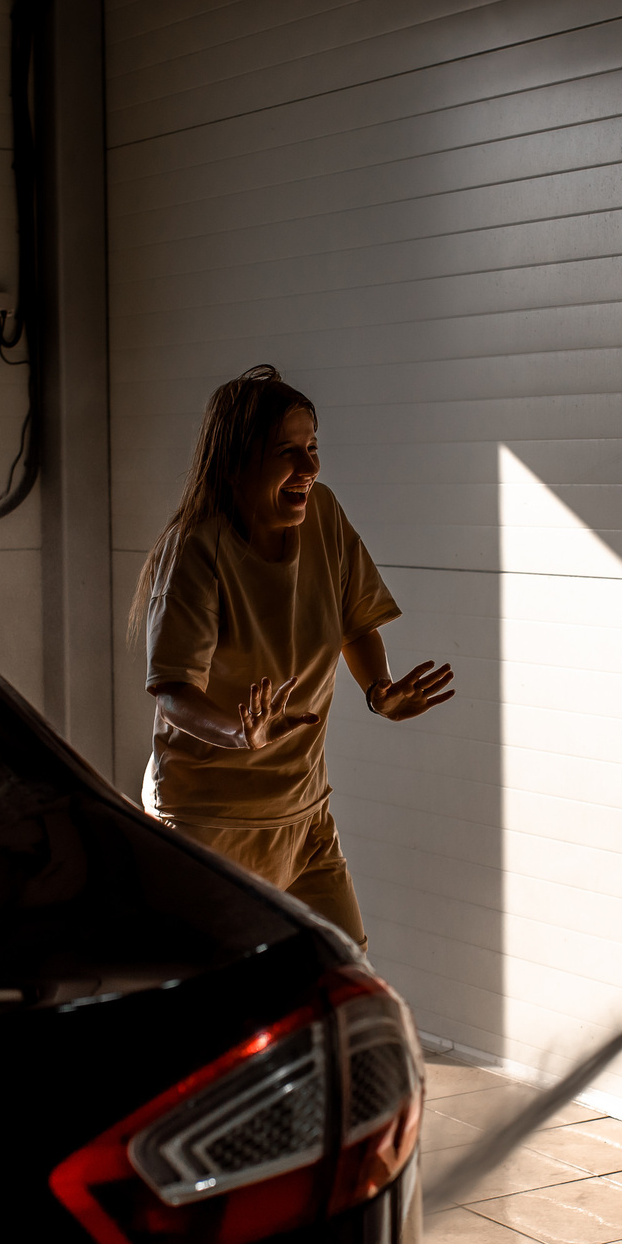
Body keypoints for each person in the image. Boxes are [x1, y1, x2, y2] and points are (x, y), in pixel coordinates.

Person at [136, 365, 456, 946]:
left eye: (312, 448)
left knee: (341, 968)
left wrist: (379, 691)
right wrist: (241, 734)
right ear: (235, 461)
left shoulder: (323, 514)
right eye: (288, 452)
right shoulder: (195, 547)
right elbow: (174, 692)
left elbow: (353, 620)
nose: (309, 468)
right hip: (210, 824)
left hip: (304, 815)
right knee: (222, 1002)